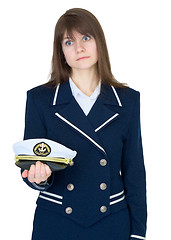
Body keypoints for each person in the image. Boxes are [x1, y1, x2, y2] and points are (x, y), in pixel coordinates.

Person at [21, 8, 147, 240]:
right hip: (56, 222)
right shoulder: (40, 99)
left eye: (86, 38)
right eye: (69, 42)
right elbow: (30, 163)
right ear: (62, 53)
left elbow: (135, 172)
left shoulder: (128, 101)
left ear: (99, 42)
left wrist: (138, 233)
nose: (79, 48)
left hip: (111, 222)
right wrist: (39, 178)